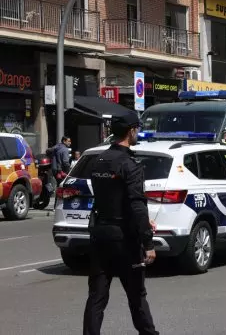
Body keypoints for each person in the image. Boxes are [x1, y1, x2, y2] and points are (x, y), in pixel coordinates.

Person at [83, 111, 159, 335]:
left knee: (96, 298)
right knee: (137, 297)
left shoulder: (99, 161)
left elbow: (108, 198)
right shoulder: (130, 164)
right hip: (124, 239)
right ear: (131, 131)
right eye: (137, 129)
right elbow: (136, 205)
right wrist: (148, 242)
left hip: (100, 235)